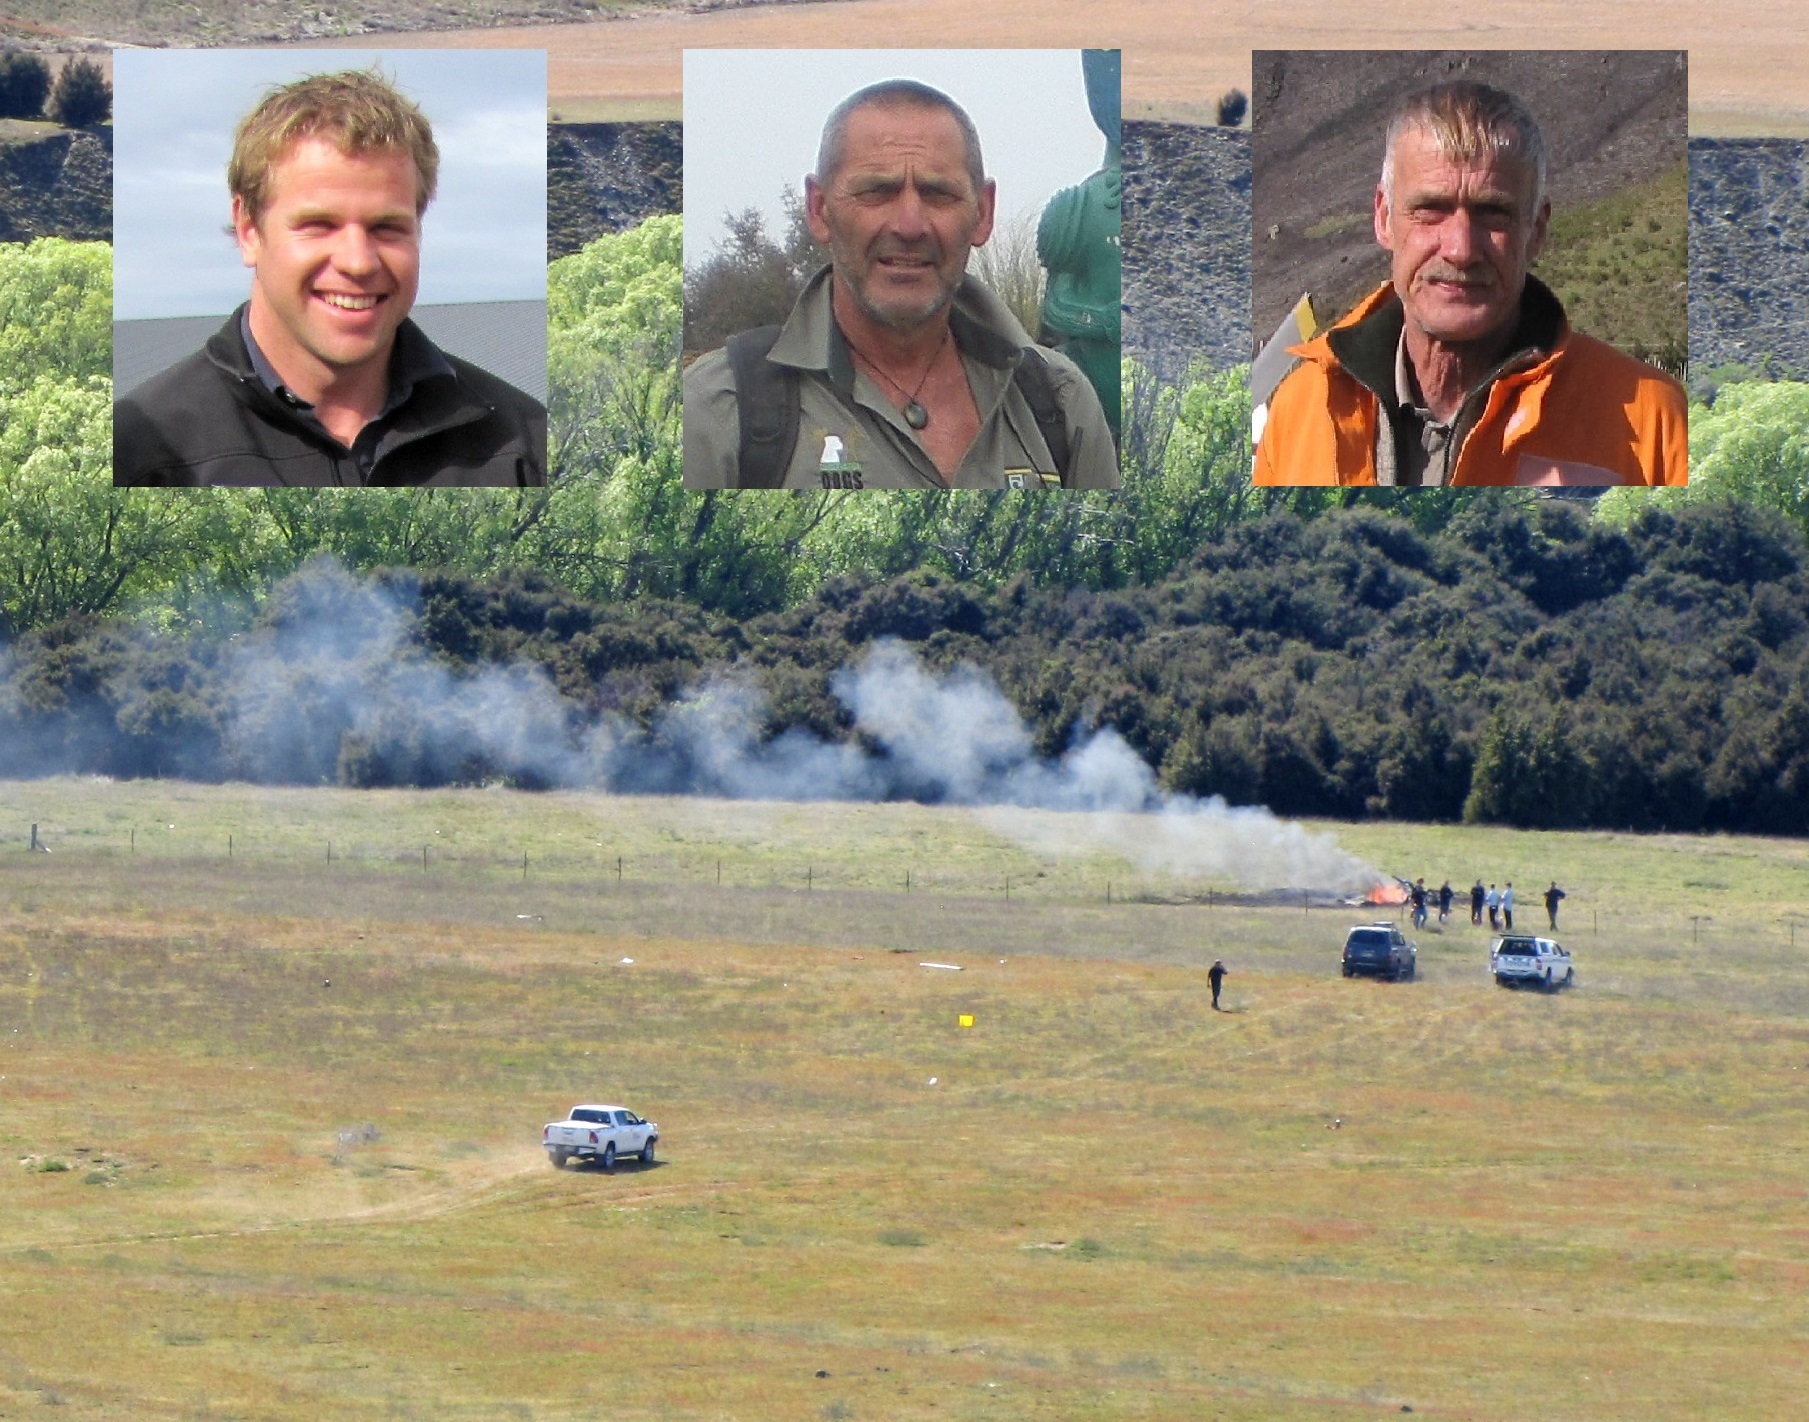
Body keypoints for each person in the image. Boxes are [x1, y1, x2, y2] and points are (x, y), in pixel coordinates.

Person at [115, 68, 545, 488]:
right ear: (249, 229)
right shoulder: (144, 451)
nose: (358, 262)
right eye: (319, 224)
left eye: (386, 227)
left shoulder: (522, 444)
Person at [683, 78, 1119, 490]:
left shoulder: (1061, 402)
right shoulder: (718, 409)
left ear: (983, 214)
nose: (910, 225)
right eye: (877, 192)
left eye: (938, 194)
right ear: (819, 210)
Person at [1254, 80, 1687, 487]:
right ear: (1383, 218)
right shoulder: (1303, 407)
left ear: (1536, 230)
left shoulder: (1655, 422)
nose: (1460, 249)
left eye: (1492, 212)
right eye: (1431, 209)